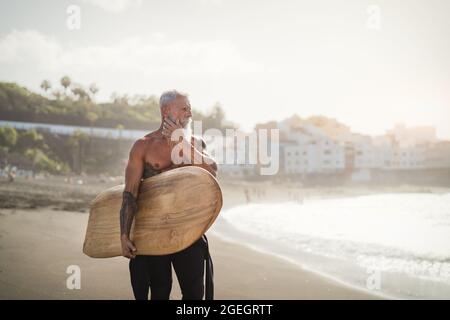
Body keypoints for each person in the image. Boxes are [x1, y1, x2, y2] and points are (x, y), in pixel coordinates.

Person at [119, 90, 218, 300]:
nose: (189, 113)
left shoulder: (196, 143)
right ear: (166, 111)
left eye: (190, 108)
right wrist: (124, 235)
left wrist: (183, 143)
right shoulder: (143, 145)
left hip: (188, 229)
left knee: (194, 294)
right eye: (184, 108)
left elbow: (213, 170)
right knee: (159, 292)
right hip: (154, 229)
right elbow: (130, 193)